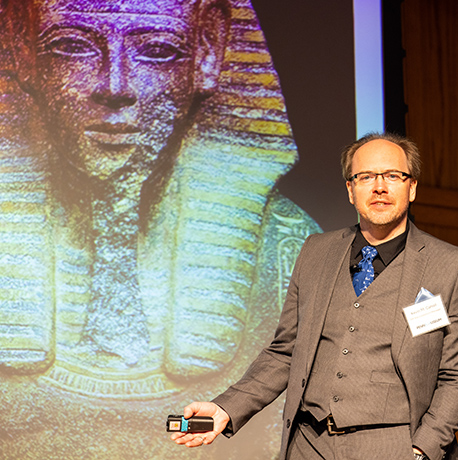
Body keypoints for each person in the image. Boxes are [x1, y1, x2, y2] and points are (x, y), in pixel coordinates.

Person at [0, 0, 318, 458]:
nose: (115, 86)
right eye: (72, 47)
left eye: (156, 51)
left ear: (209, 49)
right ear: (19, 45)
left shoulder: (286, 253)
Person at [172, 132, 458, 460]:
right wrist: (226, 408)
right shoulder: (315, 252)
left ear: (412, 187)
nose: (380, 187)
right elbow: (285, 352)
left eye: (393, 176)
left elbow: (457, 375)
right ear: (350, 190)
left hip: (394, 447)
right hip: (308, 444)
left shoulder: (451, 265)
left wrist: (424, 448)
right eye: (365, 177)